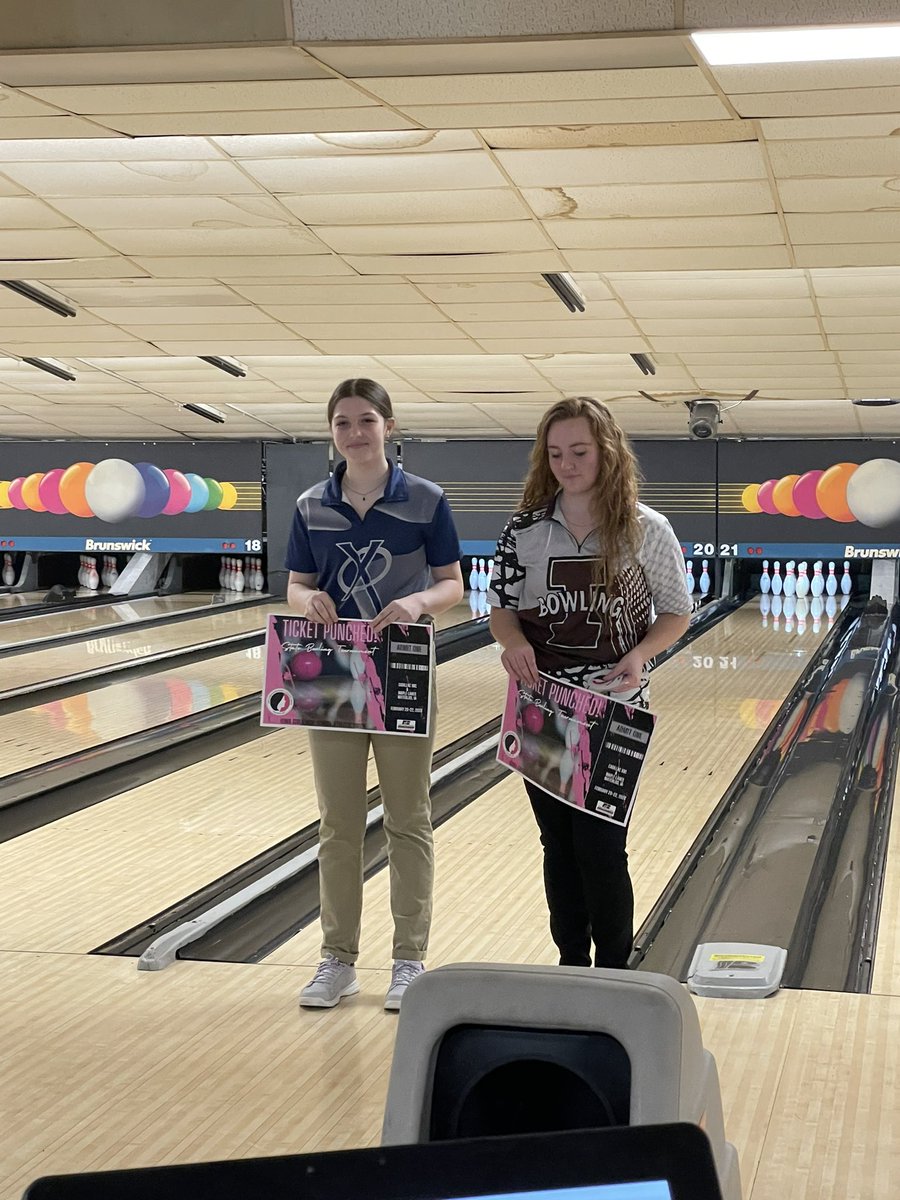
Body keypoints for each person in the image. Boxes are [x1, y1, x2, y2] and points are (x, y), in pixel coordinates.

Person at [487, 396, 692, 969]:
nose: (567, 464)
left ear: (607, 452)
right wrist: (515, 643)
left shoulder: (648, 529)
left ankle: (615, 969)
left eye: (580, 451)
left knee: (601, 848)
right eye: (555, 454)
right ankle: (572, 962)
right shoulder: (523, 531)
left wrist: (643, 655)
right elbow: (500, 609)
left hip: (615, 707)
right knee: (558, 844)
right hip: (542, 703)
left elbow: (677, 612)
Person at [286, 378, 463, 1011]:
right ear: (330, 432)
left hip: (402, 667)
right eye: (343, 423)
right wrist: (310, 600)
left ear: (388, 425)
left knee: (408, 819)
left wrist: (418, 600)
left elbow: (453, 585)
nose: (355, 433)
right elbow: (297, 586)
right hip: (332, 669)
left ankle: (409, 958)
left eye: (366, 420)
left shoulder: (425, 500)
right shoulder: (311, 504)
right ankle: (337, 960)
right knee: (337, 824)